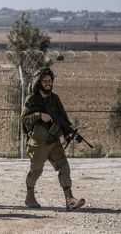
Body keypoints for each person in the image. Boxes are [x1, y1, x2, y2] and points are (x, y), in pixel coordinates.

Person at [20, 67, 85, 211]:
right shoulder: (32, 99)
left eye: (50, 81)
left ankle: (70, 200)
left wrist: (67, 134)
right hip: (38, 144)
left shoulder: (54, 98)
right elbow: (23, 119)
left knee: (64, 167)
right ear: (39, 83)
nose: (48, 83)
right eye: (45, 81)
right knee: (36, 171)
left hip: (54, 141)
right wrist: (38, 115)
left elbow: (62, 119)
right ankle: (30, 196)